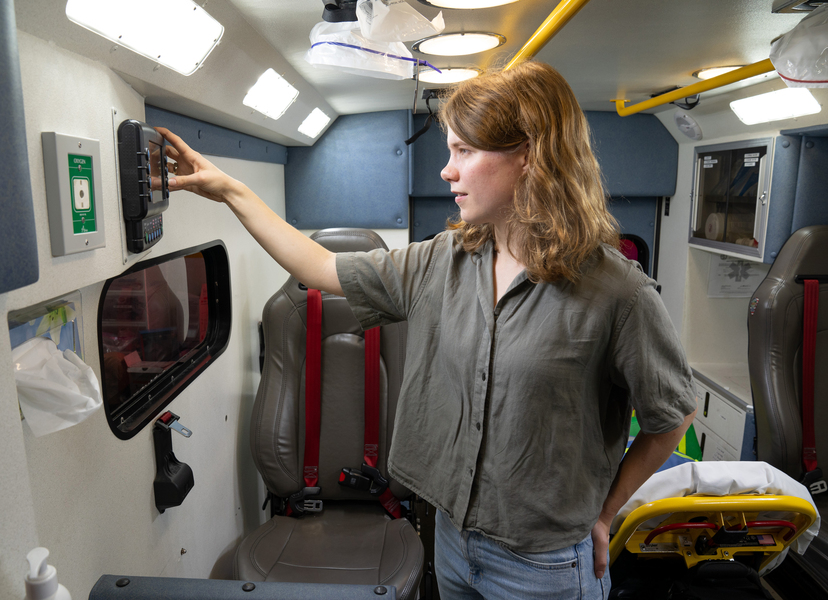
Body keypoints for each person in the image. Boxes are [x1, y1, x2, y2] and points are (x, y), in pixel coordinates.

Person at [155, 60, 697, 600]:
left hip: (545, 565)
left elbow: (671, 416)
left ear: (530, 155)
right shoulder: (445, 260)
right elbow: (319, 268)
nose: (446, 169)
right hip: (452, 542)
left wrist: (605, 512)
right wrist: (231, 191)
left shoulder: (617, 292)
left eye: (465, 151)